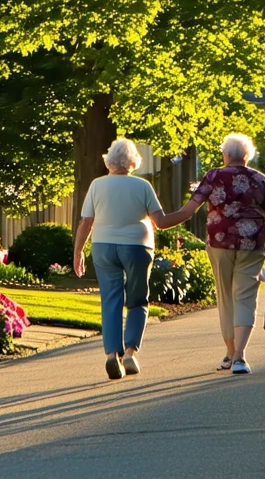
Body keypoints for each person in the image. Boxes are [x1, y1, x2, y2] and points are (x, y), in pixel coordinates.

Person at [168, 133, 265, 374]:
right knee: (244, 297)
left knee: (225, 297)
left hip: (220, 243)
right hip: (253, 244)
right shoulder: (260, 179)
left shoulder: (213, 176)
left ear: (225, 154)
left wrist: (160, 222)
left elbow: (190, 209)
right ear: (247, 156)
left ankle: (231, 353)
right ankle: (239, 357)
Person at [73, 138, 183, 380]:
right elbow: (161, 222)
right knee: (137, 300)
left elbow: (86, 222)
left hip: (103, 246)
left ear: (109, 161)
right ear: (133, 162)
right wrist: (188, 211)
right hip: (137, 246)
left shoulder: (96, 185)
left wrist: (78, 251)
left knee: (110, 301)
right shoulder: (142, 186)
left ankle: (112, 355)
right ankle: (131, 352)